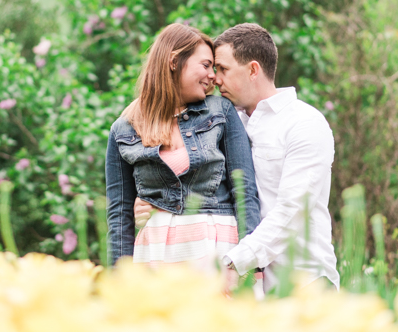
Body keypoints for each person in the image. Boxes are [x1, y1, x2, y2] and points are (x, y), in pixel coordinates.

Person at [135, 23, 339, 290]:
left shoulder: (304, 123)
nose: (215, 79)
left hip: (304, 282)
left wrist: (233, 263)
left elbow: (293, 210)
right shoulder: (225, 123)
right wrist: (154, 204)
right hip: (250, 289)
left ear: (253, 70)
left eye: (223, 69)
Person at [106, 23, 261, 268]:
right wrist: (117, 282)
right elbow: (119, 218)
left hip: (217, 251)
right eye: (206, 65)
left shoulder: (222, 112)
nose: (213, 76)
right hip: (156, 254)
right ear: (174, 62)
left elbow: (244, 195)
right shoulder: (123, 129)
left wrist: (248, 266)